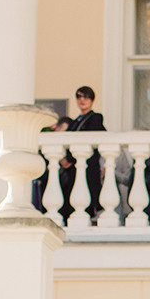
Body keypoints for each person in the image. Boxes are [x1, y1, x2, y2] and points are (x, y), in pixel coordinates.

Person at [62, 87, 106, 222]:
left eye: (86, 97)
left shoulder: (95, 118)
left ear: (92, 100)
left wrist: (69, 159)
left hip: (87, 165)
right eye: (79, 97)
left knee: (88, 196)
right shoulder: (74, 122)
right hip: (72, 168)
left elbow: (87, 137)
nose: (82, 100)